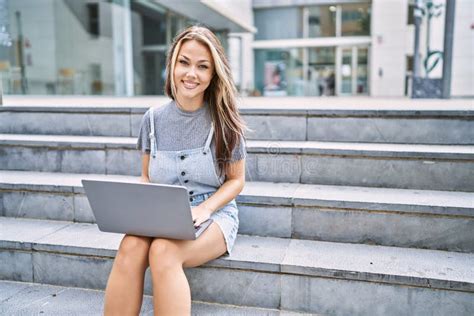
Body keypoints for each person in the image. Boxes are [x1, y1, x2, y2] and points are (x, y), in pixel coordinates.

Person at [103, 25, 247, 316]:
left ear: (212, 75)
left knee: (163, 252)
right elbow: (146, 175)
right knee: (131, 246)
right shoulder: (153, 119)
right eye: (184, 62)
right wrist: (137, 203)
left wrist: (206, 209)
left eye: (202, 66)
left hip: (214, 214)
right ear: (172, 64)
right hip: (161, 211)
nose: (191, 74)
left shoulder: (225, 122)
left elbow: (236, 180)